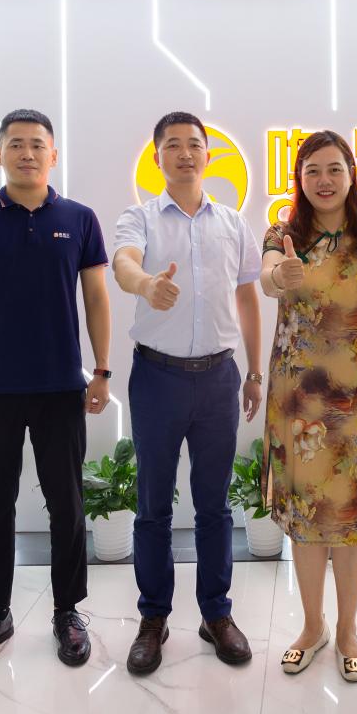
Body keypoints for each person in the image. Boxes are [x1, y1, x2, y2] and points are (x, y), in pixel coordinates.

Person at [0, 108, 111, 675]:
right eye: (16, 144)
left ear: (53, 155)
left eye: (38, 144)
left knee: (67, 504)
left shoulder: (79, 218)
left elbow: (96, 298)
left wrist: (102, 370)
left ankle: (67, 612)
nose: (27, 153)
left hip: (61, 387)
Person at [112, 111, 263, 675]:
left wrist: (253, 371)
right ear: (157, 158)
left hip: (220, 377)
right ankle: (153, 618)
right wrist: (146, 285)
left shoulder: (232, 222)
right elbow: (123, 265)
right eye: (172, 145)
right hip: (157, 378)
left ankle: (215, 614)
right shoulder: (140, 218)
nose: (184, 153)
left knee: (214, 506)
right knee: (153, 505)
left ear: (208, 155)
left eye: (193, 144)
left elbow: (248, 297)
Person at [259, 130, 357, 682]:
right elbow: (270, 278)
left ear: (351, 174)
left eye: (334, 169)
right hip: (297, 404)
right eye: (312, 170)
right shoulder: (283, 234)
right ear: (299, 178)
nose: (323, 180)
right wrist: (281, 274)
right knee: (306, 519)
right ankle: (311, 626)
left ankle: (347, 630)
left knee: (350, 519)